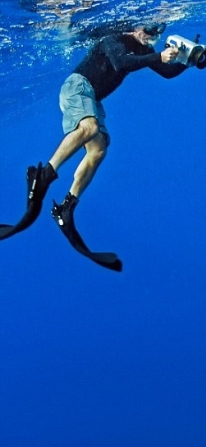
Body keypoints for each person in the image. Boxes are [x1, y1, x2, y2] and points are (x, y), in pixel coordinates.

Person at [0, 22, 189, 271]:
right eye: (150, 30)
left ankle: (67, 207)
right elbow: (121, 63)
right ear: (134, 28)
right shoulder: (113, 39)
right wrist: (159, 55)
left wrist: (189, 59)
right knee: (88, 129)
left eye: (156, 33)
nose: (153, 35)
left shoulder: (142, 50)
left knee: (98, 149)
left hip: (92, 98)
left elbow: (166, 72)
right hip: (77, 87)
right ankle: (43, 175)